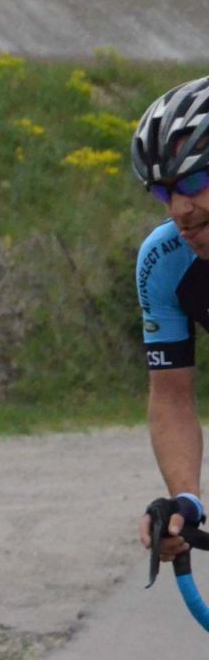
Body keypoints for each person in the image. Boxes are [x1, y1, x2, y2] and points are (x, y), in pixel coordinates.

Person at [133, 77, 209, 559]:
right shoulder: (164, 260)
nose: (181, 208)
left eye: (195, 182)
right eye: (165, 192)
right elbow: (172, 397)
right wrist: (186, 501)